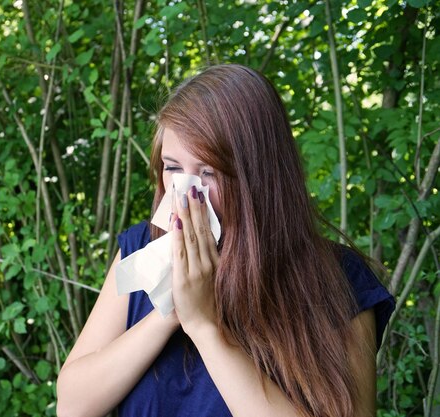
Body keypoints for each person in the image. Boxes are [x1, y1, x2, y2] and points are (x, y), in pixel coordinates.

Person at [56, 64, 395, 417]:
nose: (186, 194)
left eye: (208, 173)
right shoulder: (144, 248)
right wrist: (171, 309)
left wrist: (206, 327)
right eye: (173, 168)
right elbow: (72, 405)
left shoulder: (340, 280)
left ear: (260, 178)